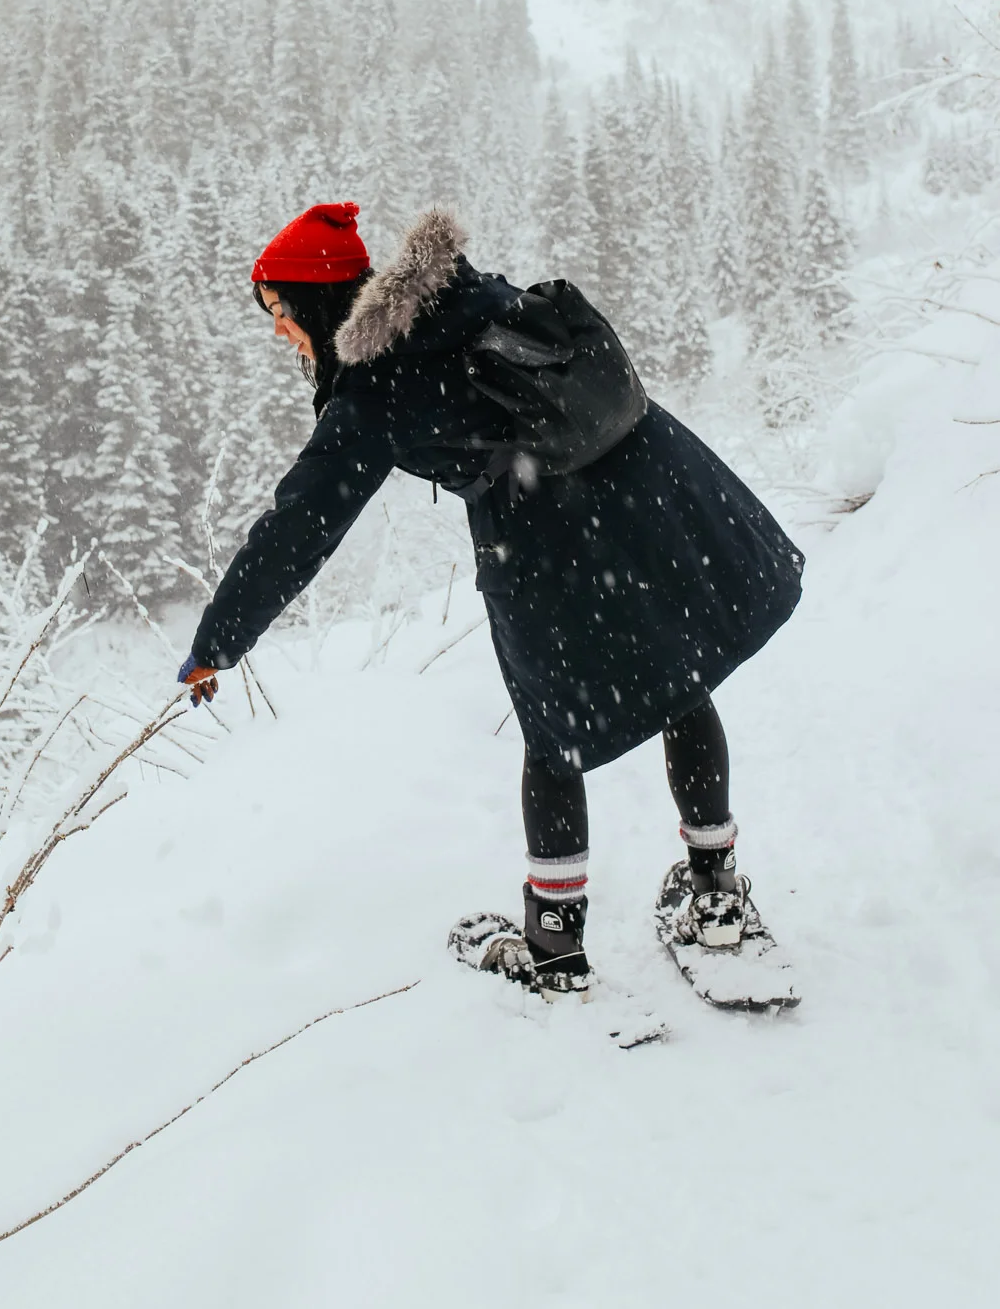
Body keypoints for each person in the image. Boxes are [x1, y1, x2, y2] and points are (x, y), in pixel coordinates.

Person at [178, 201, 804, 995]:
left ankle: (555, 949)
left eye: (279, 313)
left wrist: (218, 640)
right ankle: (716, 899)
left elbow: (298, 527)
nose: (278, 332)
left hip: (546, 532)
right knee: (679, 678)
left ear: (315, 302)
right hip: (639, 479)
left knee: (552, 734)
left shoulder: (373, 388)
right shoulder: (456, 293)